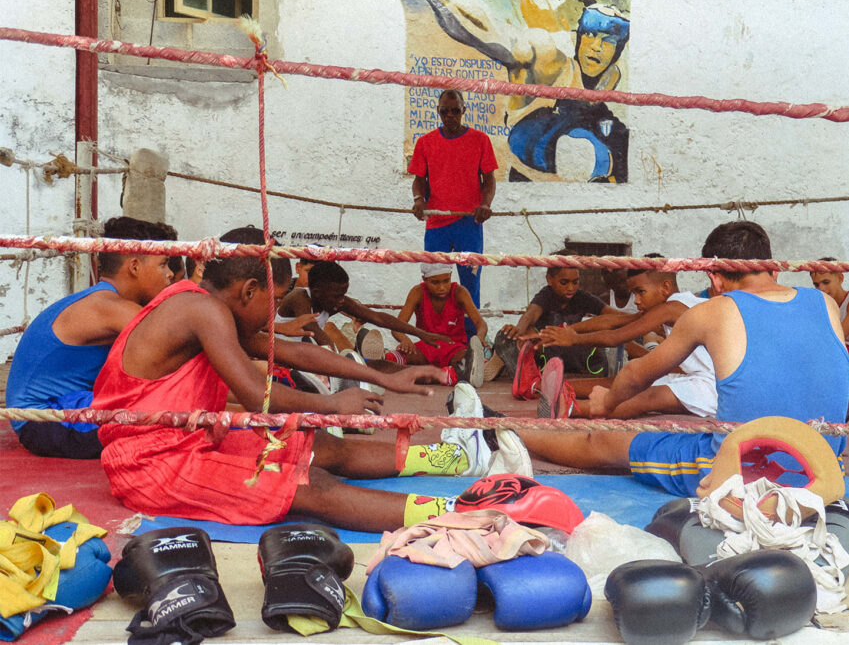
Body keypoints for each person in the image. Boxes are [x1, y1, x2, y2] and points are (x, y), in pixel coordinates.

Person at [94, 227, 530, 532]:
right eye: (276, 299)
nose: (275, 311)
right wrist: (331, 406)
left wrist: (385, 376)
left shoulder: (212, 307)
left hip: (190, 442)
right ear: (249, 290)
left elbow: (293, 350)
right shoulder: (200, 310)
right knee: (310, 484)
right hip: (150, 466)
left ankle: (450, 461)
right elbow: (254, 394)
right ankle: (470, 511)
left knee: (320, 447)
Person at [501, 221, 849, 497]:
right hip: (824, 466)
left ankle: (504, 431)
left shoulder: (714, 310)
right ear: (772, 268)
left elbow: (636, 375)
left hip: (744, 471)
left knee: (607, 439)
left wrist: (608, 404)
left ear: (713, 276)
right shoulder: (825, 304)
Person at [395, 0, 630, 182]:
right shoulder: (551, 63)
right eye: (589, 35)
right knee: (533, 44)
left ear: (618, 49)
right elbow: (506, 39)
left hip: (574, 191)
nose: (596, 46)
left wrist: (604, 160)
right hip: (527, 170)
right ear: (578, 36)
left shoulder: (611, 93)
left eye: (608, 41)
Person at [5, 216, 174, 458]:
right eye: (164, 264)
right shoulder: (108, 307)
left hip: (55, 415)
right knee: (173, 406)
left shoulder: (101, 300)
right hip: (45, 423)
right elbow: (180, 343)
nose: (169, 274)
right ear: (134, 267)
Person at [538, 263, 715, 420]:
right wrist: (567, 330)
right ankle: (556, 389)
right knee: (622, 385)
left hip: (712, 388)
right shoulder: (677, 303)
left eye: (640, 292)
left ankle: (566, 408)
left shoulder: (671, 308)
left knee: (642, 397)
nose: (636, 300)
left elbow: (615, 337)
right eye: (634, 293)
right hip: (697, 378)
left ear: (665, 287)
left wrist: (575, 339)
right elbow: (612, 320)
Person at [409, 89, 497, 315]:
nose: (450, 116)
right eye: (444, 111)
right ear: (438, 112)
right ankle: (435, 338)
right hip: (436, 223)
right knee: (433, 281)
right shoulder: (425, 142)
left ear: (463, 110)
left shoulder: (480, 140)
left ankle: (470, 342)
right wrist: (419, 200)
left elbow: (489, 180)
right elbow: (419, 181)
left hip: (469, 223)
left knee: (470, 285)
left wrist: (485, 204)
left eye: (455, 111)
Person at [276, 261, 447, 357]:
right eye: (337, 296)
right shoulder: (299, 297)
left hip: (302, 355)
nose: (341, 300)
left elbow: (378, 318)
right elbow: (315, 334)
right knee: (346, 360)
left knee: (374, 364)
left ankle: (420, 375)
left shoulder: (331, 300)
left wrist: (419, 333)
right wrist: (340, 362)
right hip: (281, 355)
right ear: (318, 292)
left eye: (344, 294)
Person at [501, 255, 618, 376]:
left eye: (575, 282)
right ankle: (518, 363)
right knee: (529, 332)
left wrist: (637, 319)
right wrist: (518, 331)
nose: (571, 288)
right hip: (548, 352)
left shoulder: (582, 297)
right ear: (549, 280)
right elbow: (530, 314)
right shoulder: (545, 296)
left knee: (603, 329)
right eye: (564, 282)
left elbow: (613, 315)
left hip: (574, 352)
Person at [387, 263, 488, 387]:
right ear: (425, 279)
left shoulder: (460, 292)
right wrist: (405, 339)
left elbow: (480, 323)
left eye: (446, 281)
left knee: (468, 358)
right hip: (426, 348)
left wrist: (480, 337)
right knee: (396, 356)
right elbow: (397, 326)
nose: (442, 287)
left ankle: (427, 375)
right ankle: (449, 375)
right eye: (435, 282)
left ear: (451, 275)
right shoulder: (417, 292)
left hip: (454, 348)